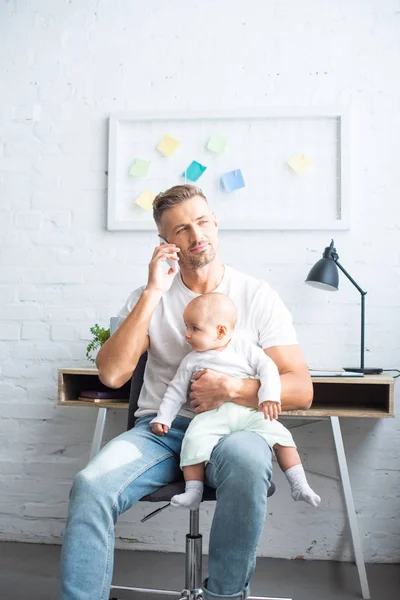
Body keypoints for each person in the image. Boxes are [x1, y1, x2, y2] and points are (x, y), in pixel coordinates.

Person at [59, 184, 313, 600]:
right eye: (181, 230)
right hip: (161, 432)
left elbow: (301, 389)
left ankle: (225, 595)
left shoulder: (257, 296)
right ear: (165, 244)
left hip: (233, 432)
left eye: (202, 221)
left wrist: (232, 389)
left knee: (250, 460)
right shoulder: (150, 298)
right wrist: (152, 291)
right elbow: (111, 375)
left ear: (215, 223)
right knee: (91, 485)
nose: (196, 235)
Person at [150, 292, 320, 510]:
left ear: (221, 331)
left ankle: (299, 484)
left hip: (249, 413)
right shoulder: (191, 360)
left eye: (194, 328)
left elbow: (268, 368)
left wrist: (268, 396)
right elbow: (175, 390)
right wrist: (163, 417)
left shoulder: (245, 349)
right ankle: (193, 492)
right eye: (186, 327)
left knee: (283, 438)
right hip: (211, 417)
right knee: (192, 442)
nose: (187, 335)